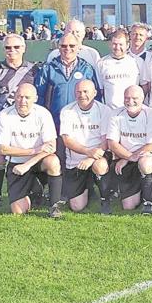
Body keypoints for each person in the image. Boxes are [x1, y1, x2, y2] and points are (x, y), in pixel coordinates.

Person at [0, 34, 36, 211]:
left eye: (16, 47)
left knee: (32, 153)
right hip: (2, 121)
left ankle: (34, 192)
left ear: (24, 48)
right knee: (0, 157)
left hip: (28, 122)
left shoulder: (34, 70)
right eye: (8, 47)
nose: (11, 51)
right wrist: (6, 112)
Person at [0, 83, 63, 218]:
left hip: (37, 162)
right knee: (18, 211)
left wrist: (28, 164)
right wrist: (34, 150)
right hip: (17, 165)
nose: (23, 101)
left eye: (27, 97)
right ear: (14, 96)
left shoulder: (43, 114)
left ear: (35, 98)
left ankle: (54, 206)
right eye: (19, 97)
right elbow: (3, 148)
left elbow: (52, 146)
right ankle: (36, 190)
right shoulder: (5, 115)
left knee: (53, 161)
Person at [59, 79, 113, 213]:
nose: (82, 95)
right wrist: (87, 152)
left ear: (95, 93)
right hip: (76, 161)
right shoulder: (67, 110)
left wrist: (91, 158)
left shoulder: (104, 110)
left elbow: (105, 141)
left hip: (97, 156)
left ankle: (105, 199)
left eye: (85, 91)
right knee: (77, 207)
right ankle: (88, 186)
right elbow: (67, 140)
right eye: (78, 92)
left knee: (100, 166)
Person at [107, 85, 152, 215]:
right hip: (126, 159)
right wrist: (128, 157)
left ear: (142, 98)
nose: (130, 101)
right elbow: (112, 143)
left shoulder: (151, 114)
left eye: (135, 98)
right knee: (128, 206)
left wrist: (130, 157)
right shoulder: (116, 114)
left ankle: (148, 202)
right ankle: (146, 188)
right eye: (127, 98)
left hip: (144, 157)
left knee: (145, 163)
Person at [34, 33, 99, 129]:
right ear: (58, 48)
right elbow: (39, 96)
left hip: (80, 124)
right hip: (54, 124)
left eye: (72, 46)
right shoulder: (48, 69)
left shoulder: (87, 69)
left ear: (78, 48)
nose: (67, 49)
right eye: (63, 46)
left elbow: (96, 97)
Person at [96, 30, 142, 111]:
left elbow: (144, 87)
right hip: (110, 112)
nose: (117, 47)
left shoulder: (137, 61)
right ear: (110, 44)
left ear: (127, 45)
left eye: (121, 44)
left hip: (132, 111)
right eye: (114, 44)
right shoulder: (101, 63)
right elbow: (101, 90)